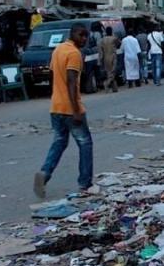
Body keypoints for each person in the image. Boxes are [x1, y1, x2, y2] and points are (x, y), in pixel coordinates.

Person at [34, 23, 93, 198]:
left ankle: (44, 174)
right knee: (85, 143)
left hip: (56, 107)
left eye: (85, 36)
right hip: (70, 108)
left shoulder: (58, 50)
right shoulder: (74, 54)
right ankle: (85, 183)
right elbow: (71, 82)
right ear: (73, 34)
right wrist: (76, 110)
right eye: (81, 36)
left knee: (59, 142)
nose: (84, 39)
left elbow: (54, 75)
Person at [99, 27, 118, 92]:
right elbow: (119, 43)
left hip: (105, 58)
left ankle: (114, 88)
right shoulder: (114, 38)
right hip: (113, 57)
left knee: (109, 72)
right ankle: (107, 83)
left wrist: (100, 61)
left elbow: (100, 52)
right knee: (113, 72)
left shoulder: (102, 40)